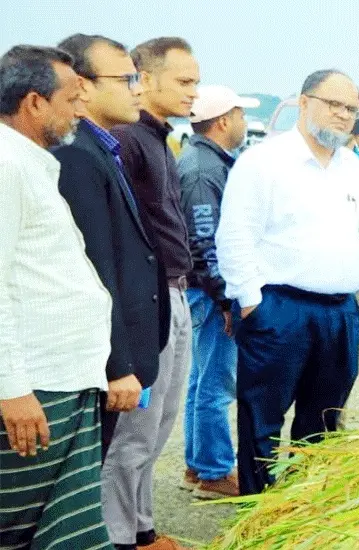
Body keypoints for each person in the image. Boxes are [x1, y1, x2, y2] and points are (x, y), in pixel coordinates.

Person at [216, 69, 359, 496]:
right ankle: (256, 509)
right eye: (334, 104)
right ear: (304, 103)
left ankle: (304, 508)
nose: (343, 115)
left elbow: (356, 236)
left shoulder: (351, 167)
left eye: (352, 109)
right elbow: (234, 236)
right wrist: (251, 303)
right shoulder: (264, 162)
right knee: (262, 421)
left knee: (323, 422)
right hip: (278, 308)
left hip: (340, 311)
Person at [0, 44, 114, 550]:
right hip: (34, 387)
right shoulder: (6, 166)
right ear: (34, 102)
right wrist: (12, 390)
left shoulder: (29, 163)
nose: (81, 111)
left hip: (62, 380)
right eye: (71, 99)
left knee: (62, 528)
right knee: (18, 529)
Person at [53, 33, 170, 460]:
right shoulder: (77, 157)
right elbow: (96, 269)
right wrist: (117, 364)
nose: (138, 89)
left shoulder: (105, 149)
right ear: (82, 86)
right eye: (126, 79)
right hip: (100, 364)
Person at [103, 36, 199, 550]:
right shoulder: (128, 140)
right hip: (149, 299)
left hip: (177, 294)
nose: (193, 92)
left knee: (159, 425)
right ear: (145, 78)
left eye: (196, 82)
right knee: (135, 432)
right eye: (183, 81)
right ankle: (121, 535)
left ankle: (142, 527)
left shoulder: (160, 139)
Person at [178, 84, 257, 500]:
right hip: (210, 292)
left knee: (201, 380)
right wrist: (226, 299)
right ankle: (214, 471)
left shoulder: (204, 161)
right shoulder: (203, 169)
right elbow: (204, 241)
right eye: (241, 115)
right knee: (216, 384)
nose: (244, 123)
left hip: (203, 289)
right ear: (224, 121)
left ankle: (198, 465)